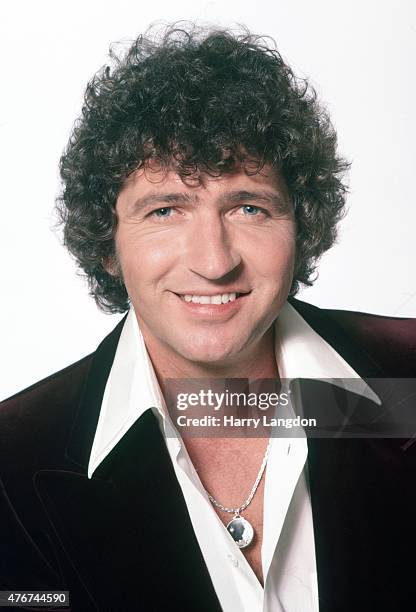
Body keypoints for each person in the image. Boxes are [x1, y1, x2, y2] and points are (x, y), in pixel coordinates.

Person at [1, 24, 415, 612]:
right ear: (107, 241)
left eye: (249, 207)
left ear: (302, 223)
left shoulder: (407, 380)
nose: (214, 261)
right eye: (165, 210)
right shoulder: (12, 461)